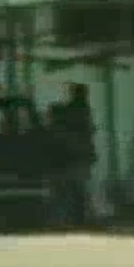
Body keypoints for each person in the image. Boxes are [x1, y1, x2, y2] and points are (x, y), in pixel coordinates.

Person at [53, 84, 96, 225]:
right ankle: (79, 217)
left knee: (73, 188)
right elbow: (88, 131)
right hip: (78, 156)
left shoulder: (71, 110)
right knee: (79, 188)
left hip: (72, 156)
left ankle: (73, 218)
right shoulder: (82, 110)